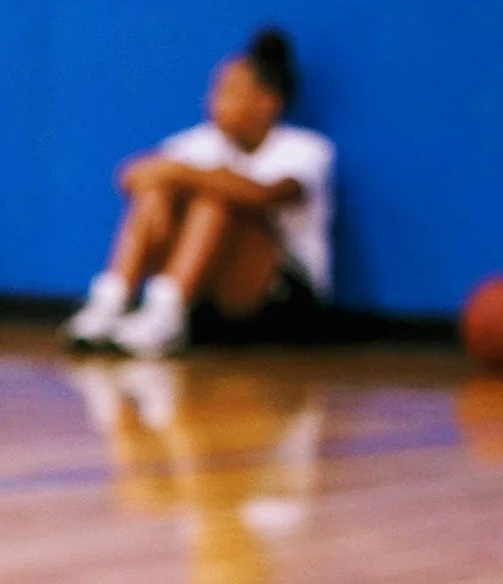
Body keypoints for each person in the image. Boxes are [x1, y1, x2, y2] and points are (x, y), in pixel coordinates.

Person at [63, 28, 334, 358]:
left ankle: (165, 311)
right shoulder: (199, 142)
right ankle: (111, 302)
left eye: (229, 90)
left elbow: (265, 195)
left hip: (284, 305)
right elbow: (131, 176)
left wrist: (181, 174)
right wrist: (163, 193)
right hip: (209, 304)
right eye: (215, 89)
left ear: (267, 102)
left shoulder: (307, 149)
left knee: (215, 200)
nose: (213, 100)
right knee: (157, 195)